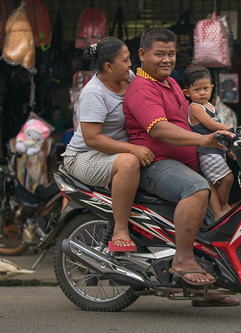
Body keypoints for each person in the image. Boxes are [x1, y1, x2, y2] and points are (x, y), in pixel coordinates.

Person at [123, 27, 239, 306]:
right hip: (157, 165)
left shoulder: (173, 84)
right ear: (142, 54)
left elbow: (196, 119)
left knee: (215, 217)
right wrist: (204, 140)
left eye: (171, 54)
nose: (166, 59)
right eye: (159, 54)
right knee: (198, 189)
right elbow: (160, 130)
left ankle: (201, 291)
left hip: (182, 163)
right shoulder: (142, 89)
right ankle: (182, 258)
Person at [62, 37, 155, 252]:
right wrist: (133, 148)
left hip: (113, 152)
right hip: (85, 156)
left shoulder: (129, 78)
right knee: (130, 163)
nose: (130, 64)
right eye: (125, 60)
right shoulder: (94, 93)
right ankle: (120, 229)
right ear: (108, 67)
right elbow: (92, 138)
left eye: (130, 58)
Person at [182, 65, 234, 221]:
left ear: (212, 88)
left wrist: (229, 150)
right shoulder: (195, 108)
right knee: (227, 178)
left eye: (205, 88)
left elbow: (218, 134)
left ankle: (217, 210)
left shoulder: (210, 106)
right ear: (187, 93)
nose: (202, 92)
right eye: (197, 90)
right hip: (207, 152)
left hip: (217, 150)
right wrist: (234, 129)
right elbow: (212, 127)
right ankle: (222, 206)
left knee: (215, 181)